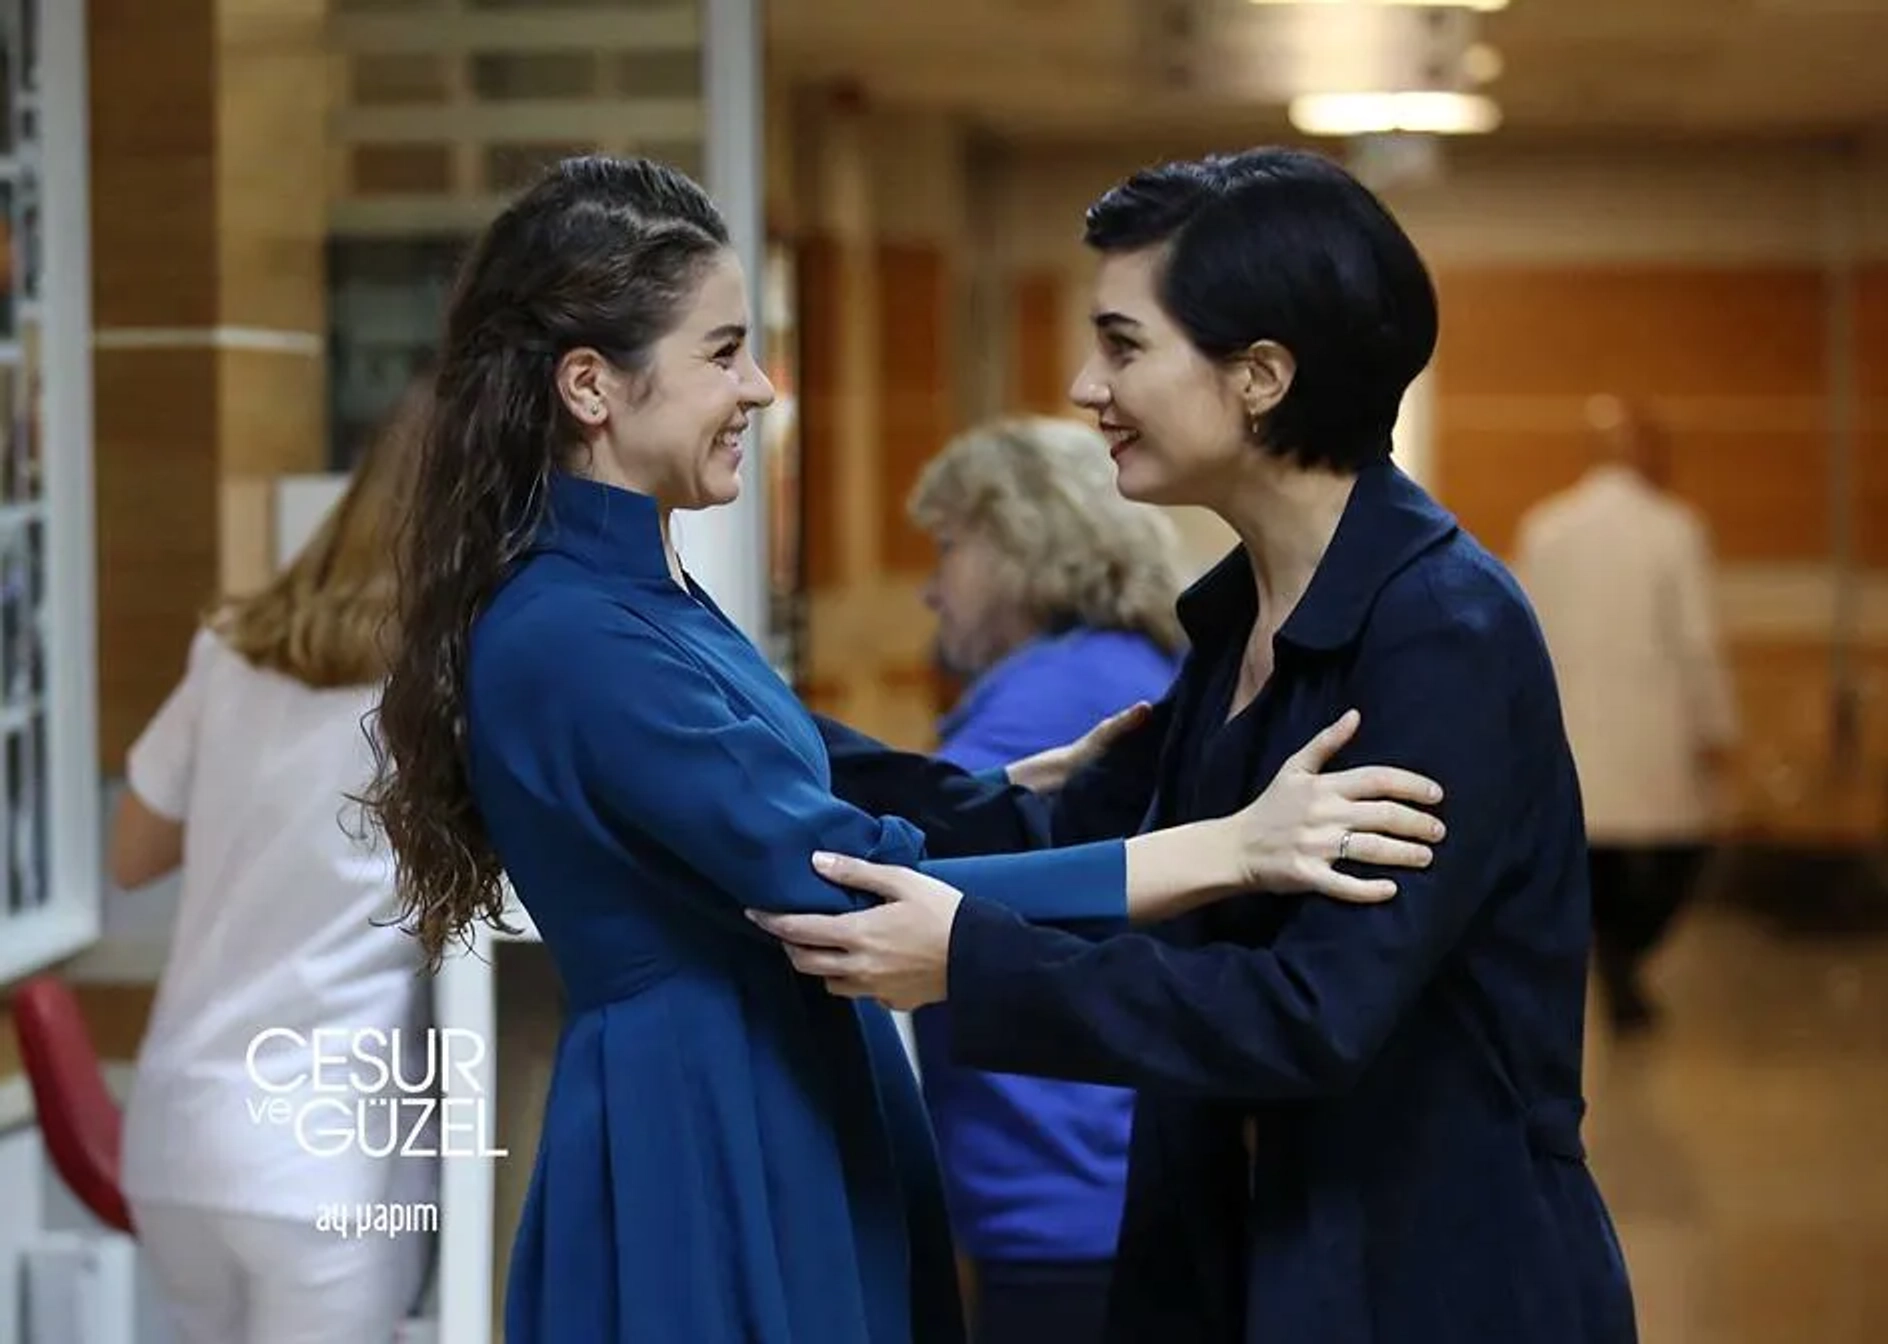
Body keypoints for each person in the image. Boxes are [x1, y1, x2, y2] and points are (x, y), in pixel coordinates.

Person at [359, 154, 1448, 1344]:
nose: (764, 388)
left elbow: (803, 775)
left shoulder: (641, 592)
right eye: (724, 354)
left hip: (781, 1090)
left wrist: (1005, 792)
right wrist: (1226, 853)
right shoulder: (571, 629)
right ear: (590, 387)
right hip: (708, 1125)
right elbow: (840, 886)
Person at [763, 148, 1638, 1343]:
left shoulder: (1444, 636)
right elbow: (1046, 825)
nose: (1084, 385)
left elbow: (1312, 1011)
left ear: (1261, 377)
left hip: (1425, 1284)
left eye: (1124, 346)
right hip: (1234, 1266)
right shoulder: (1239, 620)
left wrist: (974, 961)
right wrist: (737, 728)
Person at [112, 385, 435, 1344]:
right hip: (325, 1154)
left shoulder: (231, 648)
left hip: (180, 1141)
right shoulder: (449, 683)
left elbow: (133, 852)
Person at [906, 416, 1186, 1343]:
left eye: (950, 548)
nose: (932, 590)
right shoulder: (1130, 666)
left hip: (1060, 1186)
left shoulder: (1047, 698)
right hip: (1105, 1168)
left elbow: (905, 866)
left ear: (1019, 544)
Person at [1516, 395, 1739, 1032]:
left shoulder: (1545, 528)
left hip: (1571, 730)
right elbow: (1696, 642)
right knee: (1676, 855)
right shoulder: (1675, 529)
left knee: (1591, 859)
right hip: (1651, 732)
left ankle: (1612, 961)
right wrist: (1717, 727)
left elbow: (1522, 631)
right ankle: (1621, 960)